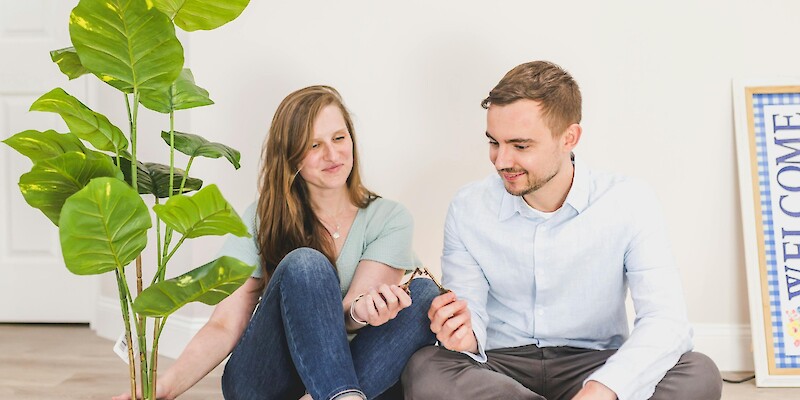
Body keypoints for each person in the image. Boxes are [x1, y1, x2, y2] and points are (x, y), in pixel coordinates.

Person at [401, 61, 723, 400]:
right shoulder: (469, 208)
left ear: (569, 138)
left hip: (595, 363)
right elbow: (471, 312)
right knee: (425, 368)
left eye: (520, 146)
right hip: (501, 366)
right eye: (494, 142)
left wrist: (604, 390)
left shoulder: (629, 202)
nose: (500, 160)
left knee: (699, 373)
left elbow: (665, 320)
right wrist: (465, 335)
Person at [114, 85, 438, 400]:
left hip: (355, 368)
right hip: (268, 379)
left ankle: (336, 395)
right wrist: (163, 389)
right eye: (313, 146)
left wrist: (365, 311)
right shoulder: (261, 217)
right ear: (291, 155)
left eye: (339, 138)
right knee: (305, 263)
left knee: (426, 295)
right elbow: (226, 323)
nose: (332, 154)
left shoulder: (389, 217)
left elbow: (347, 316)